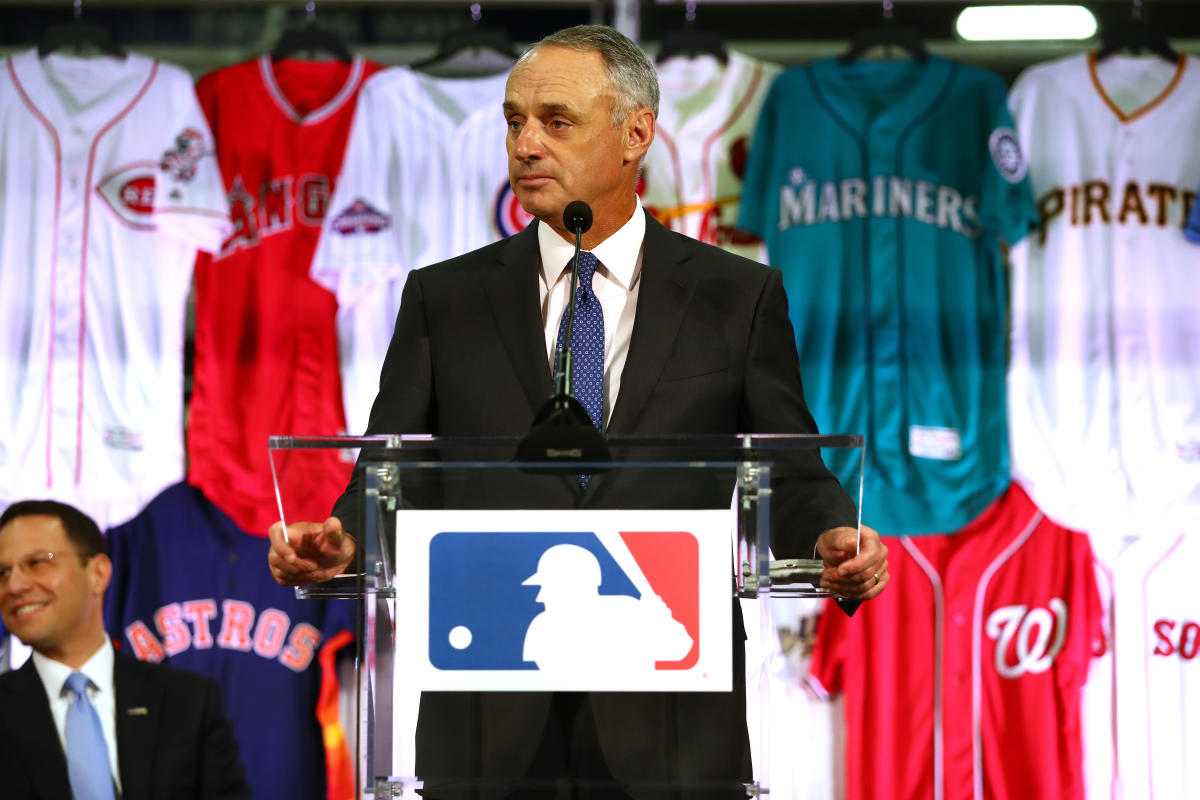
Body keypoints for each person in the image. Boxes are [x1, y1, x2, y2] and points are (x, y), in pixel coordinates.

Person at [268, 24, 889, 798]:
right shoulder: (445, 298)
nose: (525, 145)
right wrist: (345, 541)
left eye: (556, 121)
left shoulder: (738, 296)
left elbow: (791, 467)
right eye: (514, 121)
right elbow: (391, 472)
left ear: (635, 134)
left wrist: (834, 533)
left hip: (672, 718)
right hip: (487, 716)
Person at [0, 500, 251, 800]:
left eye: (38, 562)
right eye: (2, 572)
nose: (14, 585)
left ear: (98, 573)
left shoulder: (188, 702)